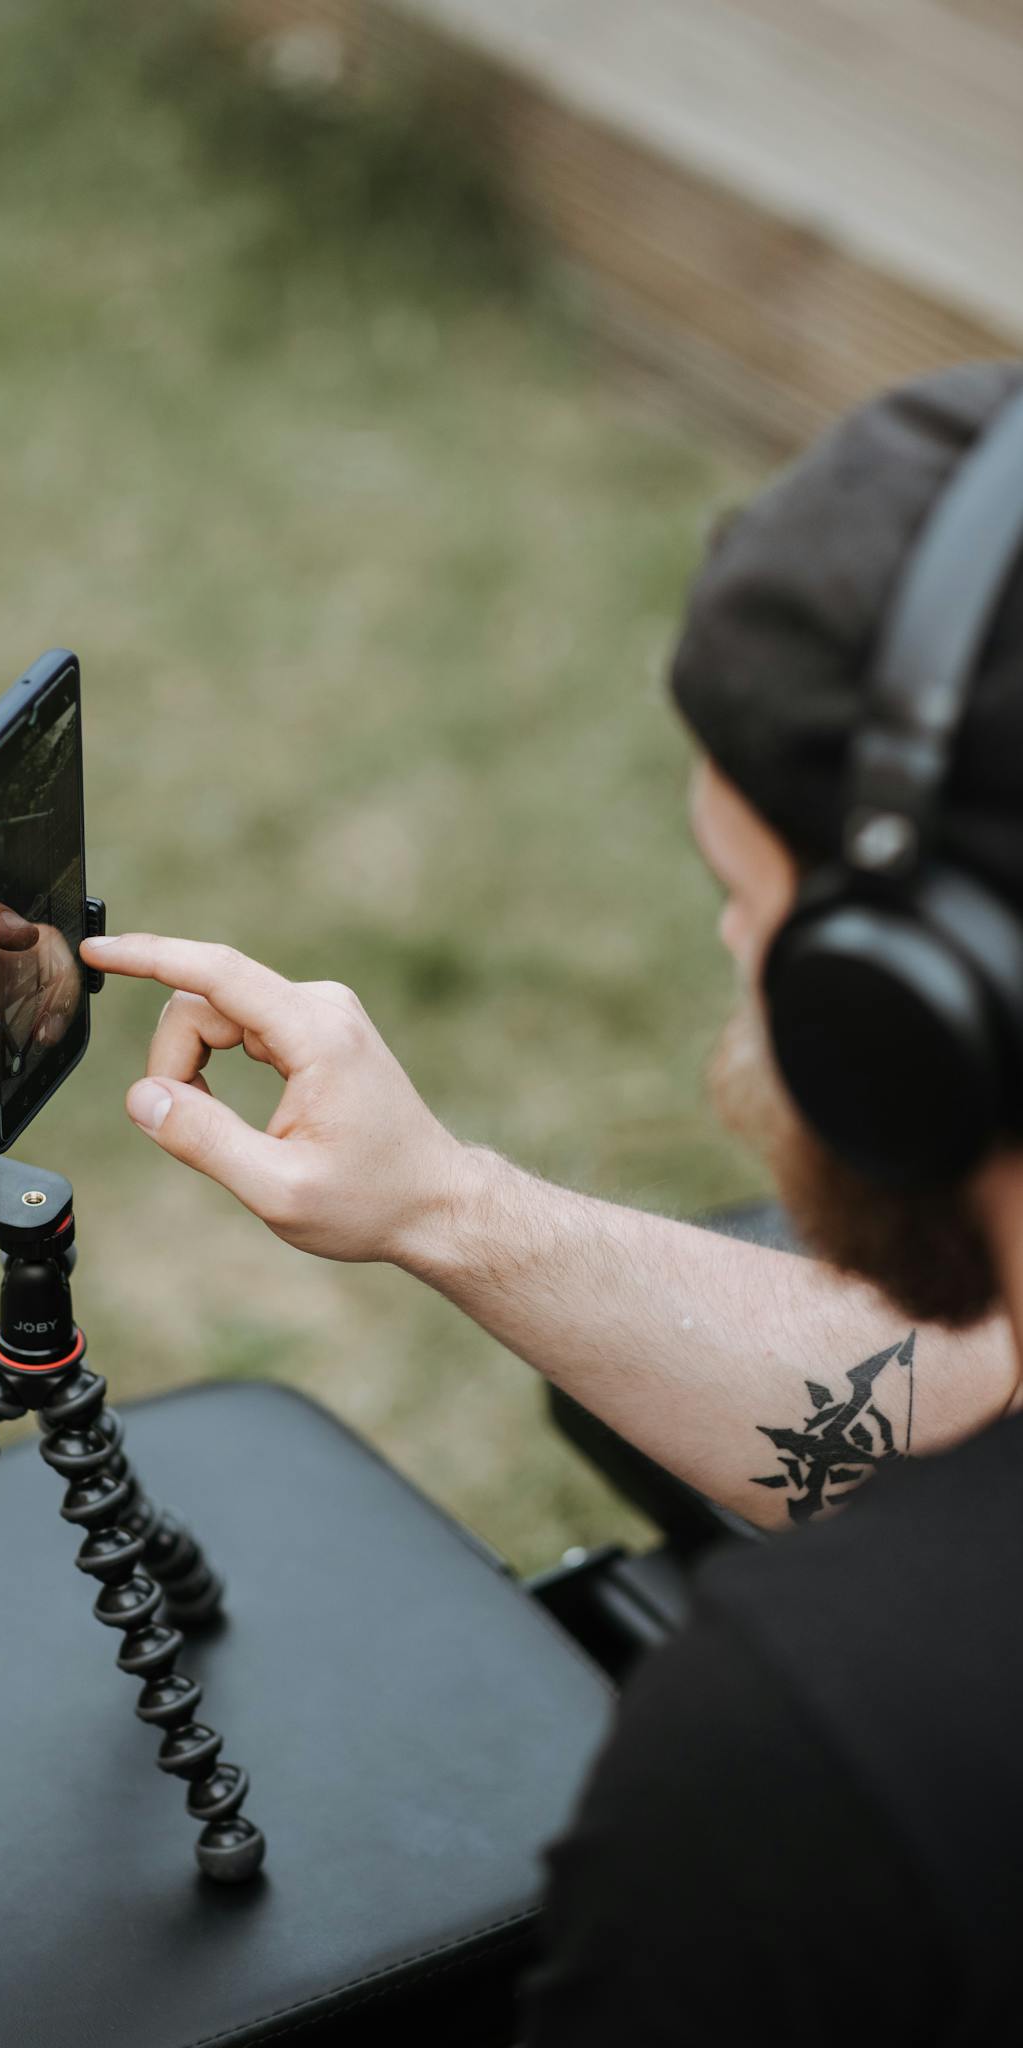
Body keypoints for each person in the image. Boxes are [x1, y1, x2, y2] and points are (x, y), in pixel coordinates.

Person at [81, 359, 1023, 2040]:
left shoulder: (823, 1770)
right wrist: (440, 1202)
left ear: (906, 1014)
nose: (732, 948)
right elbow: (971, 1403)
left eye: (746, 898)